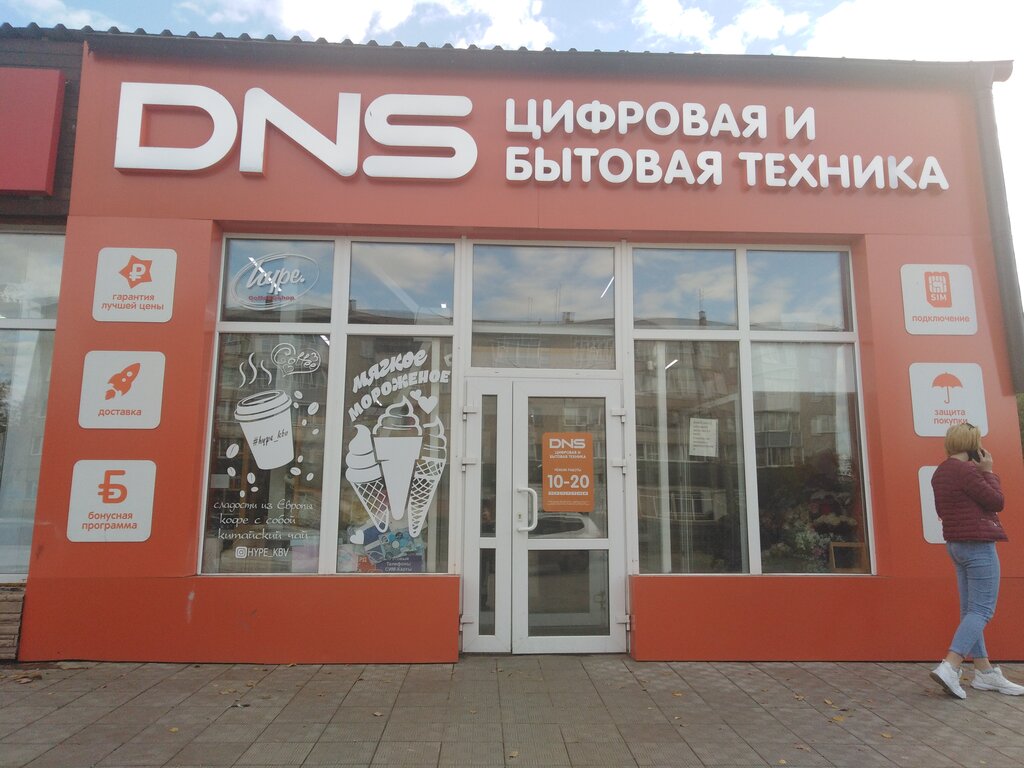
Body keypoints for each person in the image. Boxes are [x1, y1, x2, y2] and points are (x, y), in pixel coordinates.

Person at [929, 422, 1024, 699]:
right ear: (974, 445)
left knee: (971, 610)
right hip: (978, 545)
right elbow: (996, 502)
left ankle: (984, 672)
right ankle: (950, 665)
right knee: (982, 610)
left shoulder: (941, 472)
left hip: (956, 545)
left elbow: (942, 510)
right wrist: (988, 472)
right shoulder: (968, 471)